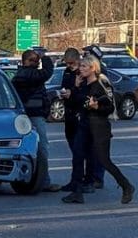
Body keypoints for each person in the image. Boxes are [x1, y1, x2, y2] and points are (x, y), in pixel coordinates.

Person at [62, 54, 135, 204]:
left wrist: (97, 106)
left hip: (99, 127)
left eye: (83, 66)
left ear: (93, 68)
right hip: (84, 125)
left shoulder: (101, 84)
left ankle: (126, 186)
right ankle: (77, 191)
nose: (80, 69)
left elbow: (110, 107)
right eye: (80, 66)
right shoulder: (82, 84)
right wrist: (73, 90)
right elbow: (78, 103)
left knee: (103, 160)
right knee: (77, 156)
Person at [11, 49, 60, 192]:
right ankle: (43, 181)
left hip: (32, 115)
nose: (35, 63)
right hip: (32, 116)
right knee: (41, 148)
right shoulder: (27, 73)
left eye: (36, 60)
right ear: (24, 61)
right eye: (32, 60)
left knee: (38, 148)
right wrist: (45, 57)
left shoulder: (26, 74)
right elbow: (47, 72)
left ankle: (40, 179)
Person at [59, 47, 103, 193]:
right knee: (76, 152)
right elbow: (67, 89)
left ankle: (90, 180)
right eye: (67, 64)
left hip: (84, 118)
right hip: (71, 115)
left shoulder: (88, 75)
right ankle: (76, 181)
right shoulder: (68, 72)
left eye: (72, 63)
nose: (70, 66)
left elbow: (88, 97)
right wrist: (69, 92)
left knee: (87, 152)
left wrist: (75, 90)